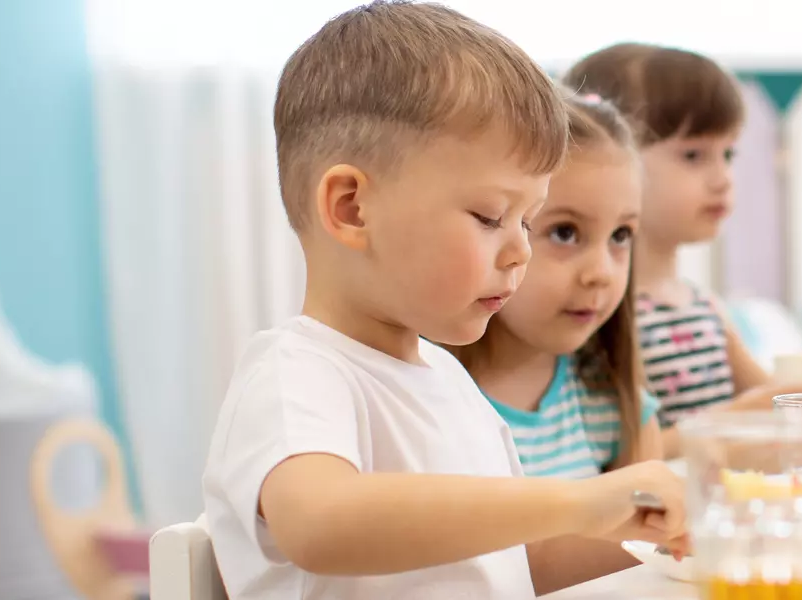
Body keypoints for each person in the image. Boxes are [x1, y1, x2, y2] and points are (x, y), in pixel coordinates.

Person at [201, 4, 685, 598]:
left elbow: (515, 565)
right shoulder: (295, 374)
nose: (520, 253)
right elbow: (321, 524)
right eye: (491, 217)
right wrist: (580, 500)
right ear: (352, 207)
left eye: (529, 222)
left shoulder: (449, 382)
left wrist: (651, 529)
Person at [560, 43, 802, 455]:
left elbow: (780, 401)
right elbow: (615, 458)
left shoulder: (704, 309)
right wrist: (730, 422)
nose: (722, 178)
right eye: (694, 155)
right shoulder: (599, 315)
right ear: (611, 157)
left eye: (728, 154)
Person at [446, 96, 666, 591]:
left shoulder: (611, 403)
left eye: (621, 235)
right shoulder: (428, 398)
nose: (601, 273)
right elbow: (507, 570)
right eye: (565, 232)